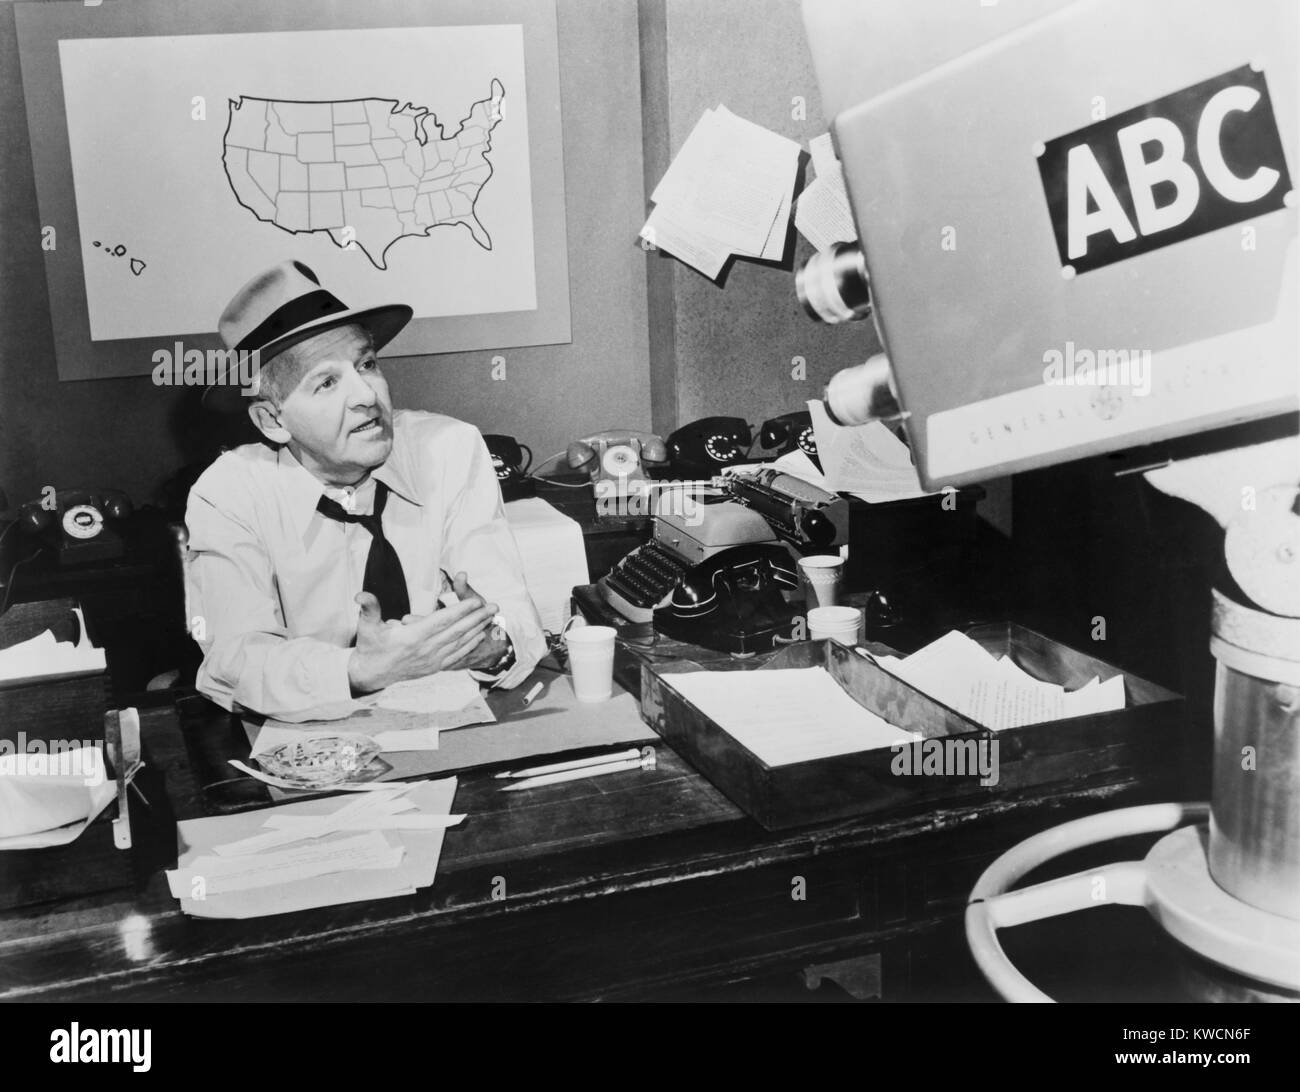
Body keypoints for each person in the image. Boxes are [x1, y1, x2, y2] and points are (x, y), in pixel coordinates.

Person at [184, 260, 545, 717]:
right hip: (308, 741)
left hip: (449, 726)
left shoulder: (448, 449)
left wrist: (488, 646)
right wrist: (359, 670)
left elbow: (513, 614)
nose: (367, 395)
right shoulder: (229, 492)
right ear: (273, 420)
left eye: (367, 364)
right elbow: (234, 661)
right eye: (327, 382)